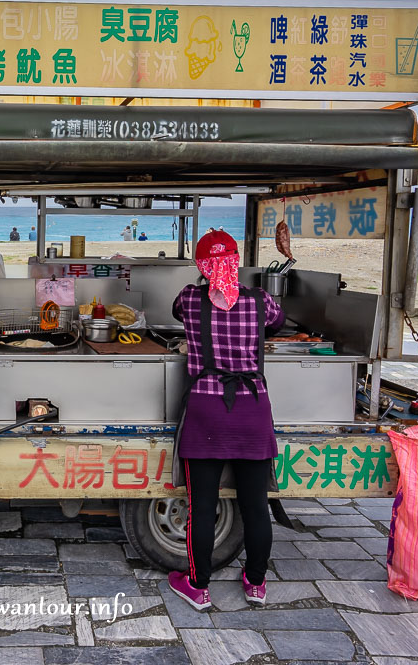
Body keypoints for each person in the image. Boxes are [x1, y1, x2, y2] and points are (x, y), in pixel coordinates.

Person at [168, 230, 284, 610]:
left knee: (202, 506)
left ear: (201, 266)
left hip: (207, 414)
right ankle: (255, 583)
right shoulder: (260, 301)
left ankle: (198, 586)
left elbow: (176, 312)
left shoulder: (189, 298)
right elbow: (278, 322)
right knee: (255, 505)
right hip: (252, 411)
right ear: (236, 262)